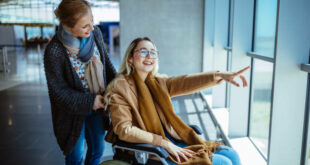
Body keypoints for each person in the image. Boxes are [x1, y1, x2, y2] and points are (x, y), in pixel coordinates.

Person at [104, 37, 249, 165]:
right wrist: (163, 143)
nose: (149, 56)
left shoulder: (158, 82)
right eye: (143, 51)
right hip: (152, 151)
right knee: (223, 163)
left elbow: (186, 81)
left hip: (172, 141)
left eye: (153, 52)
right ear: (130, 58)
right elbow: (124, 130)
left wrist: (219, 75)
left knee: (231, 154)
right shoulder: (120, 87)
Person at [44, 0, 116, 165]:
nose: (91, 28)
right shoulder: (55, 51)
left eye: (92, 21)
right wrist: (91, 101)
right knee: (75, 156)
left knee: (97, 150)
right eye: (85, 26)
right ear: (67, 25)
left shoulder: (95, 33)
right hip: (71, 113)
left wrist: (120, 85)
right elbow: (58, 93)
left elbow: (107, 67)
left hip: (98, 107)